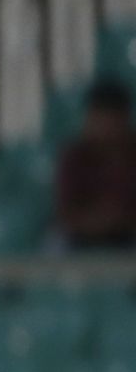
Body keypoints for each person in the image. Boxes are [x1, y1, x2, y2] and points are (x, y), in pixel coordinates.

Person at [55, 79, 136, 248]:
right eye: (99, 118)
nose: (106, 128)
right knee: (55, 245)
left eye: (112, 120)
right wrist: (96, 221)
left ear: (124, 119)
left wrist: (118, 218)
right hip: (81, 236)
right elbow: (66, 213)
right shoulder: (75, 156)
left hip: (129, 235)